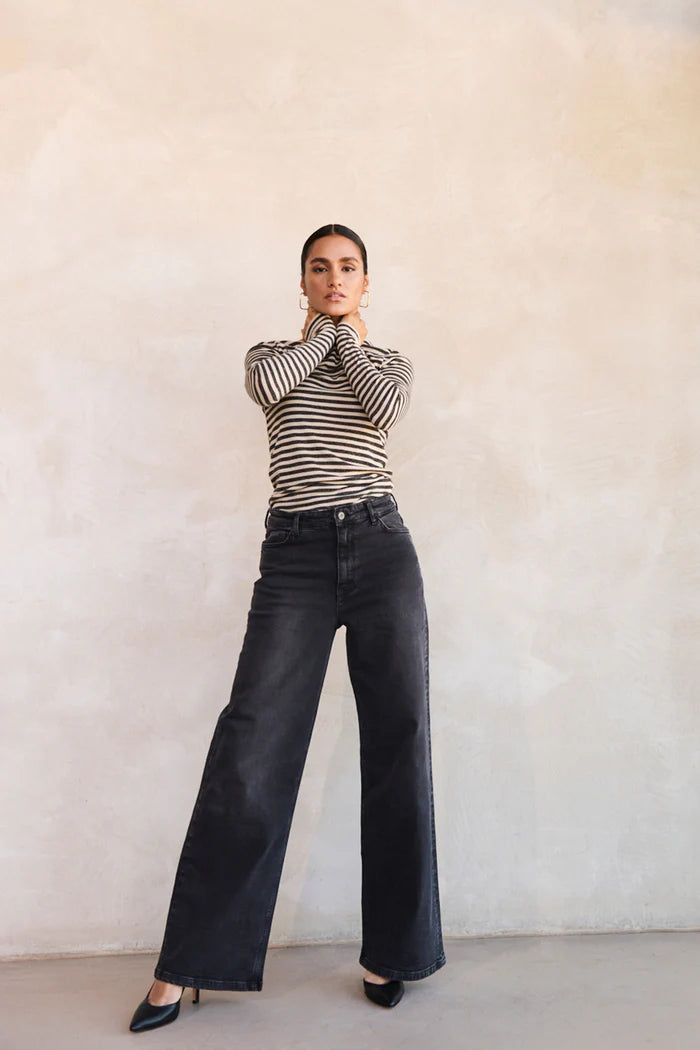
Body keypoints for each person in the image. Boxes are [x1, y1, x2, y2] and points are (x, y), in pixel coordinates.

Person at [129, 223, 446, 1033]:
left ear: (367, 282)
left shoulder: (388, 364)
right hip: (296, 557)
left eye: (348, 269)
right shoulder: (271, 355)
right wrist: (327, 334)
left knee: (399, 745)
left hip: (380, 547)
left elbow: (385, 407)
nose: (334, 277)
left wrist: (350, 341)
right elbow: (270, 387)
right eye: (319, 268)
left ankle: (394, 953)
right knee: (252, 747)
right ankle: (186, 966)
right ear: (301, 281)